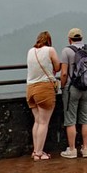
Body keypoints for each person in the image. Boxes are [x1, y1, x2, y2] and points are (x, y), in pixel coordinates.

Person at [59, 27, 87, 159]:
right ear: (82, 38)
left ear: (69, 39)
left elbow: (63, 73)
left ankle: (72, 149)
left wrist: (62, 87)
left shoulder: (66, 51)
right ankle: (85, 149)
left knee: (70, 120)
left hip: (72, 88)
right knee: (86, 119)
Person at [25, 30, 60, 160]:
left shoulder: (30, 51)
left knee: (38, 121)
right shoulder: (50, 50)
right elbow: (57, 66)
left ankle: (35, 151)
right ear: (48, 40)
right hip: (44, 88)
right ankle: (39, 153)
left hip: (30, 88)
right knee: (44, 122)